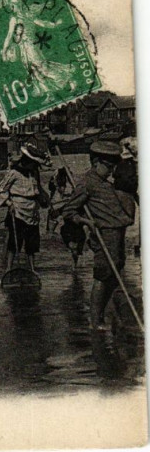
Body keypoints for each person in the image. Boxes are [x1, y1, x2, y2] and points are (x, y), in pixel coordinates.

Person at [62, 141, 136, 331]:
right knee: (103, 276)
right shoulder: (87, 183)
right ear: (96, 162)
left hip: (118, 232)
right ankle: (95, 321)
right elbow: (69, 211)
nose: (111, 171)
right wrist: (87, 222)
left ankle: (103, 312)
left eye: (113, 167)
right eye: (108, 167)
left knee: (115, 273)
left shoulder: (105, 183)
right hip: (104, 234)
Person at [0, 143, 50, 273]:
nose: (35, 167)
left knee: (32, 242)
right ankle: (9, 268)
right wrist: (9, 203)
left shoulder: (33, 173)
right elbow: (1, 190)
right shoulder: (14, 173)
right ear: (27, 162)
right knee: (15, 241)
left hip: (32, 210)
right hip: (17, 209)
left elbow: (38, 189)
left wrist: (43, 199)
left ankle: (32, 268)